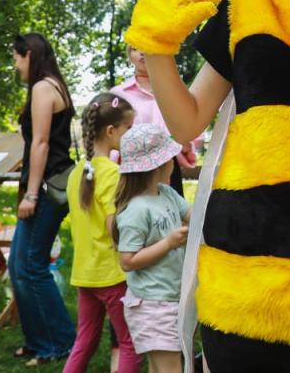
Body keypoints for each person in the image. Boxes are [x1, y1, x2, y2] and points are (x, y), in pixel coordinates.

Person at [9, 32, 76, 366]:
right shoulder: (52, 84)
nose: (15, 65)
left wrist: (31, 194)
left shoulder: (43, 87)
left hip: (48, 188)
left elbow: (41, 143)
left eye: (16, 58)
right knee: (18, 266)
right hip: (44, 184)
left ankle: (61, 342)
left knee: (33, 267)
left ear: (28, 56)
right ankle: (37, 340)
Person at [63, 93, 141, 373]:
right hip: (113, 275)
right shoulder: (112, 173)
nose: (131, 134)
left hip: (86, 274)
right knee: (130, 343)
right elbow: (114, 226)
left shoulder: (75, 174)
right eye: (128, 129)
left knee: (85, 340)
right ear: (111, 131)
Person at [114, 123, 192, 373]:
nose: (174, 163)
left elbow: (195, 215)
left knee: (160, 368)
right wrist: (168, 244)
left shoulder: (167, 193)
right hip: (151, 305)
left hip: (168, 299)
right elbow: (127, 260)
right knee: (170, 369)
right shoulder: (137, 209)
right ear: (158, 165)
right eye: (171, 158)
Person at [111, 45, 199, 197]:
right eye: (135, 48)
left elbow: (189, 123)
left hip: (168, 164)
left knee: (173, 214)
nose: (142, 52)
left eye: (147, 47)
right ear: (129, 55)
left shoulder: (175, 89)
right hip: (136, 168)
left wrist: (185, 144)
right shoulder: (119, 94)